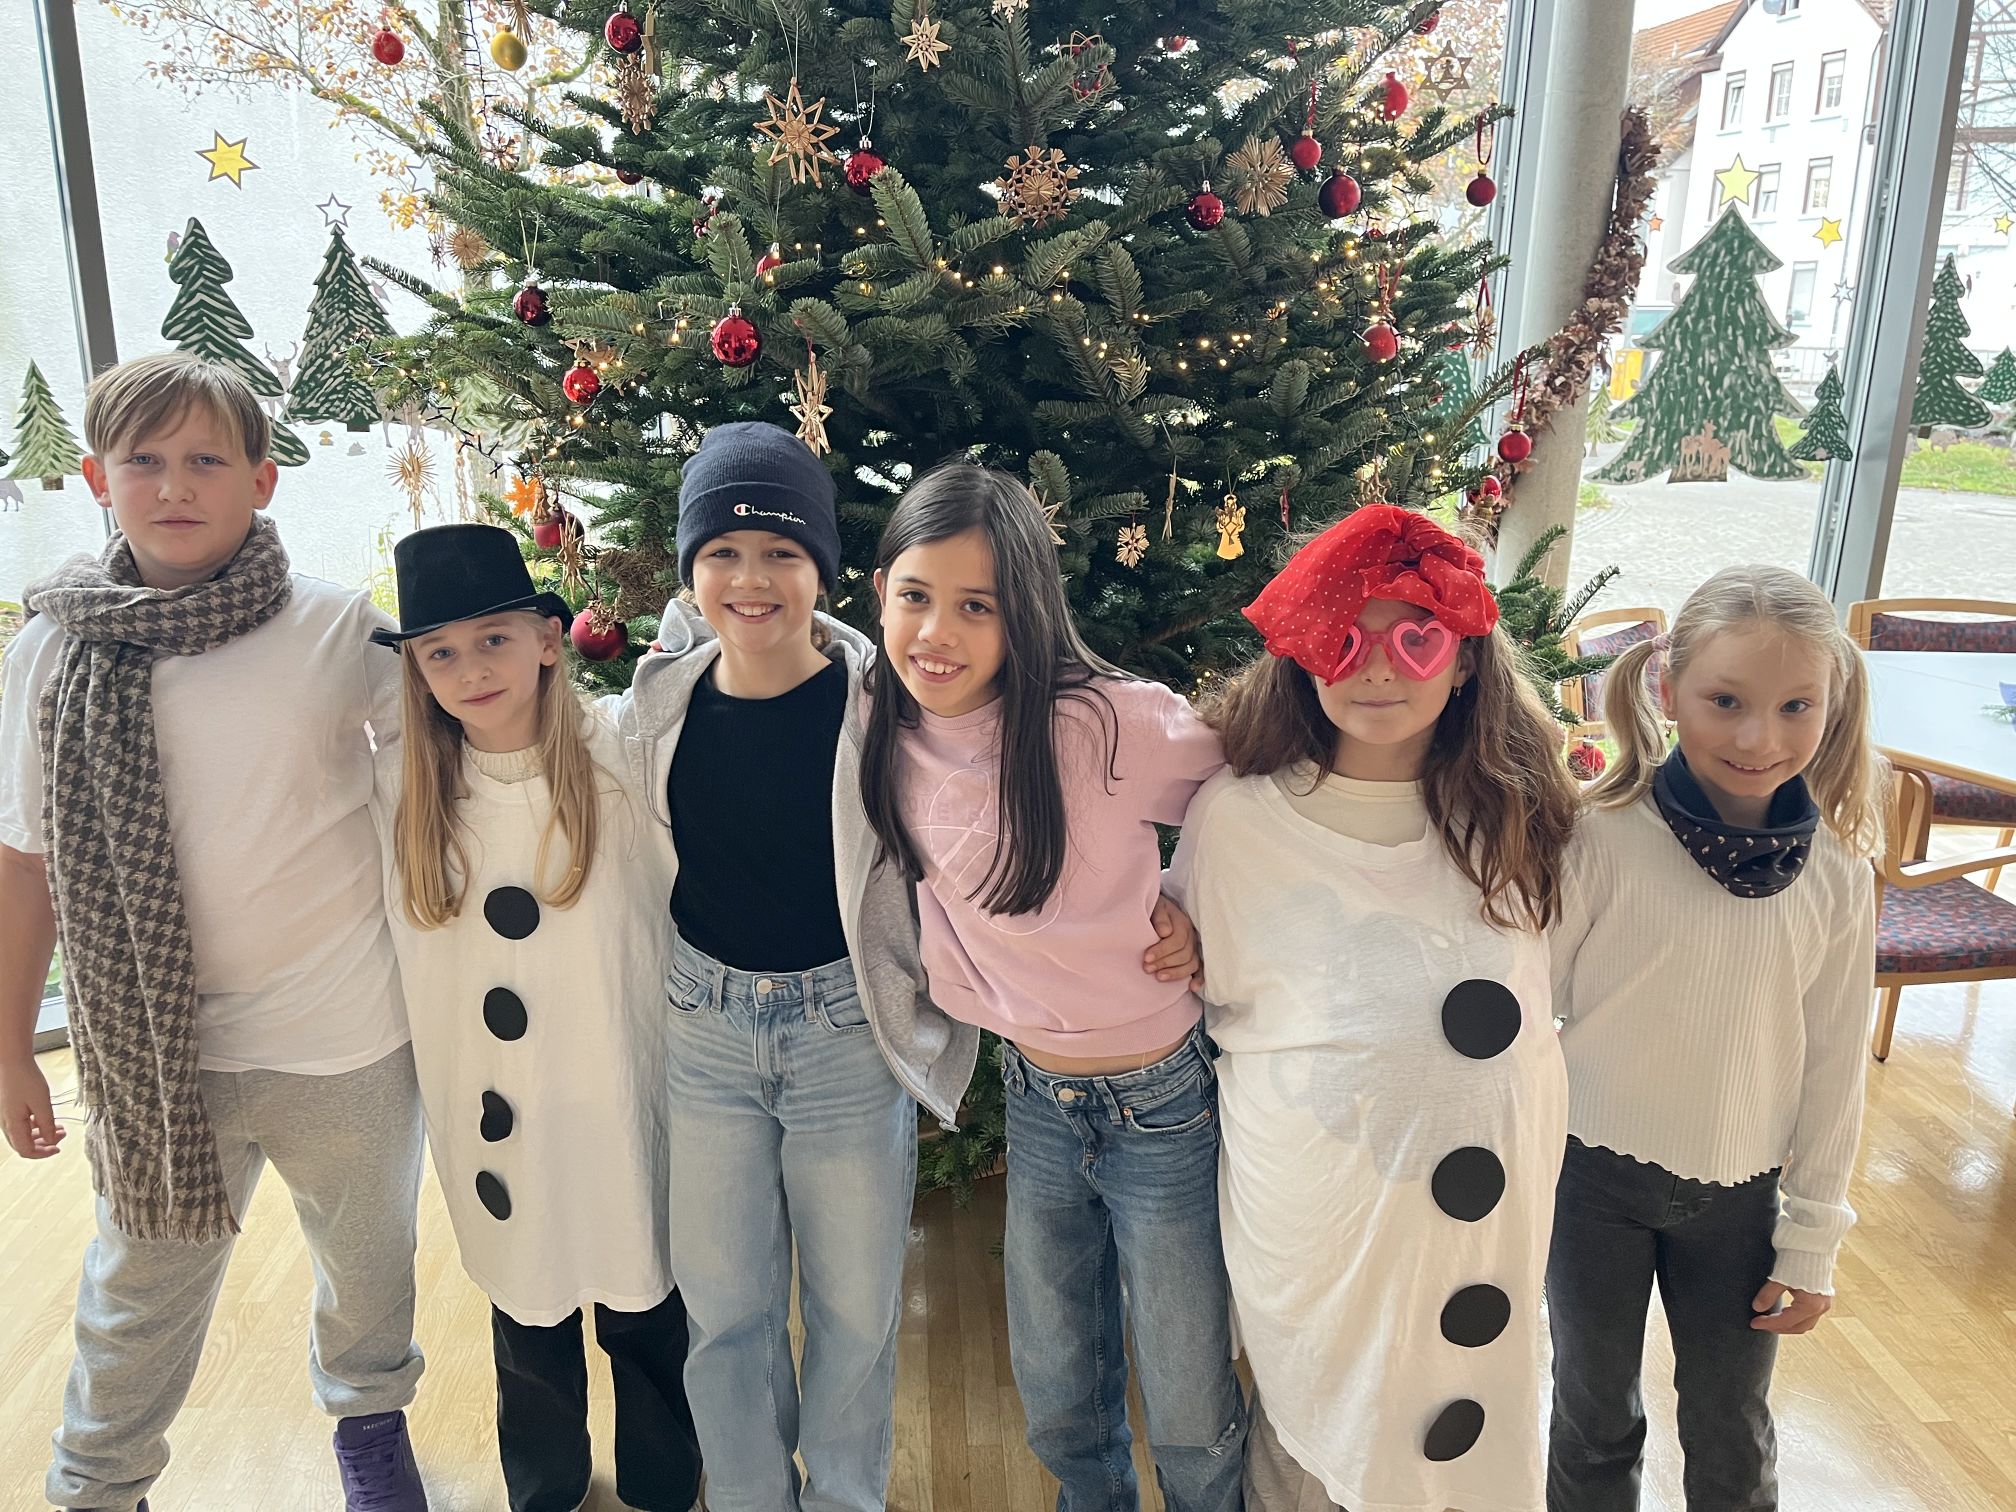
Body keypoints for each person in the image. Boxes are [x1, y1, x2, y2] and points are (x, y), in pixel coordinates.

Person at [0, 351, 427, 1512]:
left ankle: (370, 1426)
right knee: (136, 1288)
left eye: (205, 460)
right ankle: (98, 1479)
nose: (175, 486)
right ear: (98, 478)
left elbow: (457, 768)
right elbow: (25, 866)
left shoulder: (336, 629)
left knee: (369, 1260)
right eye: (144, 460)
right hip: (156, 1059)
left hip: (342, 1037)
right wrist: (10, 1049)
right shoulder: (50, 652)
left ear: (262, 479)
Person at [1172, 504, 1578, 1512]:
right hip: (1317, 1207)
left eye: (1416, 639)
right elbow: (1198, 977)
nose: (1379, 670)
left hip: (1483, 1216)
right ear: (1304, 656)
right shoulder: (1238, 820)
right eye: (1345, 641)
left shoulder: (1520, 814)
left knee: (1458, 1421)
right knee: (1317, 1426)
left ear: (1467, 658)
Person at [858, 462, 1243, 1512]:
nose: (938, 632)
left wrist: (1192, 902)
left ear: (1023, 612)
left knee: (1189, 1398)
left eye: (976, 607)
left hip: (1166, 1102)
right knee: (1059, 1385)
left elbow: (1248, 794)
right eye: (916, 596)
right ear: (880, 592)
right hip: (1034, 1097)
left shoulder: (1105, 724)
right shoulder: (877, 720)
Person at [611, 421, 979, 1512]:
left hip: (845, 1038)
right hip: (706, 1032)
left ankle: (845, 1497)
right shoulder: (652, 713)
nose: (751, 579)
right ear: (692, 570)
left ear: (822, 569)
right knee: (725, 1310)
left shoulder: (886, 710)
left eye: (780, 552)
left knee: (856, 1310)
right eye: (722, 553)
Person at [370, 522, 701, 1512]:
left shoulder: (621, 761)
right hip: (495, 1115)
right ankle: (546, 1483)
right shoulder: (403, 791)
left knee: (645, 1304)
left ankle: (664, 1476)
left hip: (617, 1089)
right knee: (527, 1315)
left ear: (549, 640)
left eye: (494, 639)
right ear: (416, 671)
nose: (471, 669)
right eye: (440, 652)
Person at [1546, 565, 1885, 1512]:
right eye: (1725, 701)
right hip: (1588, 1185)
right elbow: (1529, 1009)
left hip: (1742, 1200)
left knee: (1732, 1428)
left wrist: (1813, 1239)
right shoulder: (1601, 837)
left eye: (1794, 707)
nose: (1757, 739)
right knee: (1591, 1418)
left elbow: (1836, 1069)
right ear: (1666, 688)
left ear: (1832, 703)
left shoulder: (1840, 870)